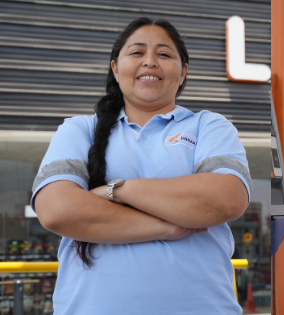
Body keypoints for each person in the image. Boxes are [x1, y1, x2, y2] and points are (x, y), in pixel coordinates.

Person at [31, 18, 251, 314]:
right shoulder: (80, 129)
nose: (150, 62)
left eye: (164, 54)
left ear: (183, 72)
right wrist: (166, 227)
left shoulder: (209, 126)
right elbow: (57, 210)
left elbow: (225, 200)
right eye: (136, 53)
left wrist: (117, 190)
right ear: (115, 68)